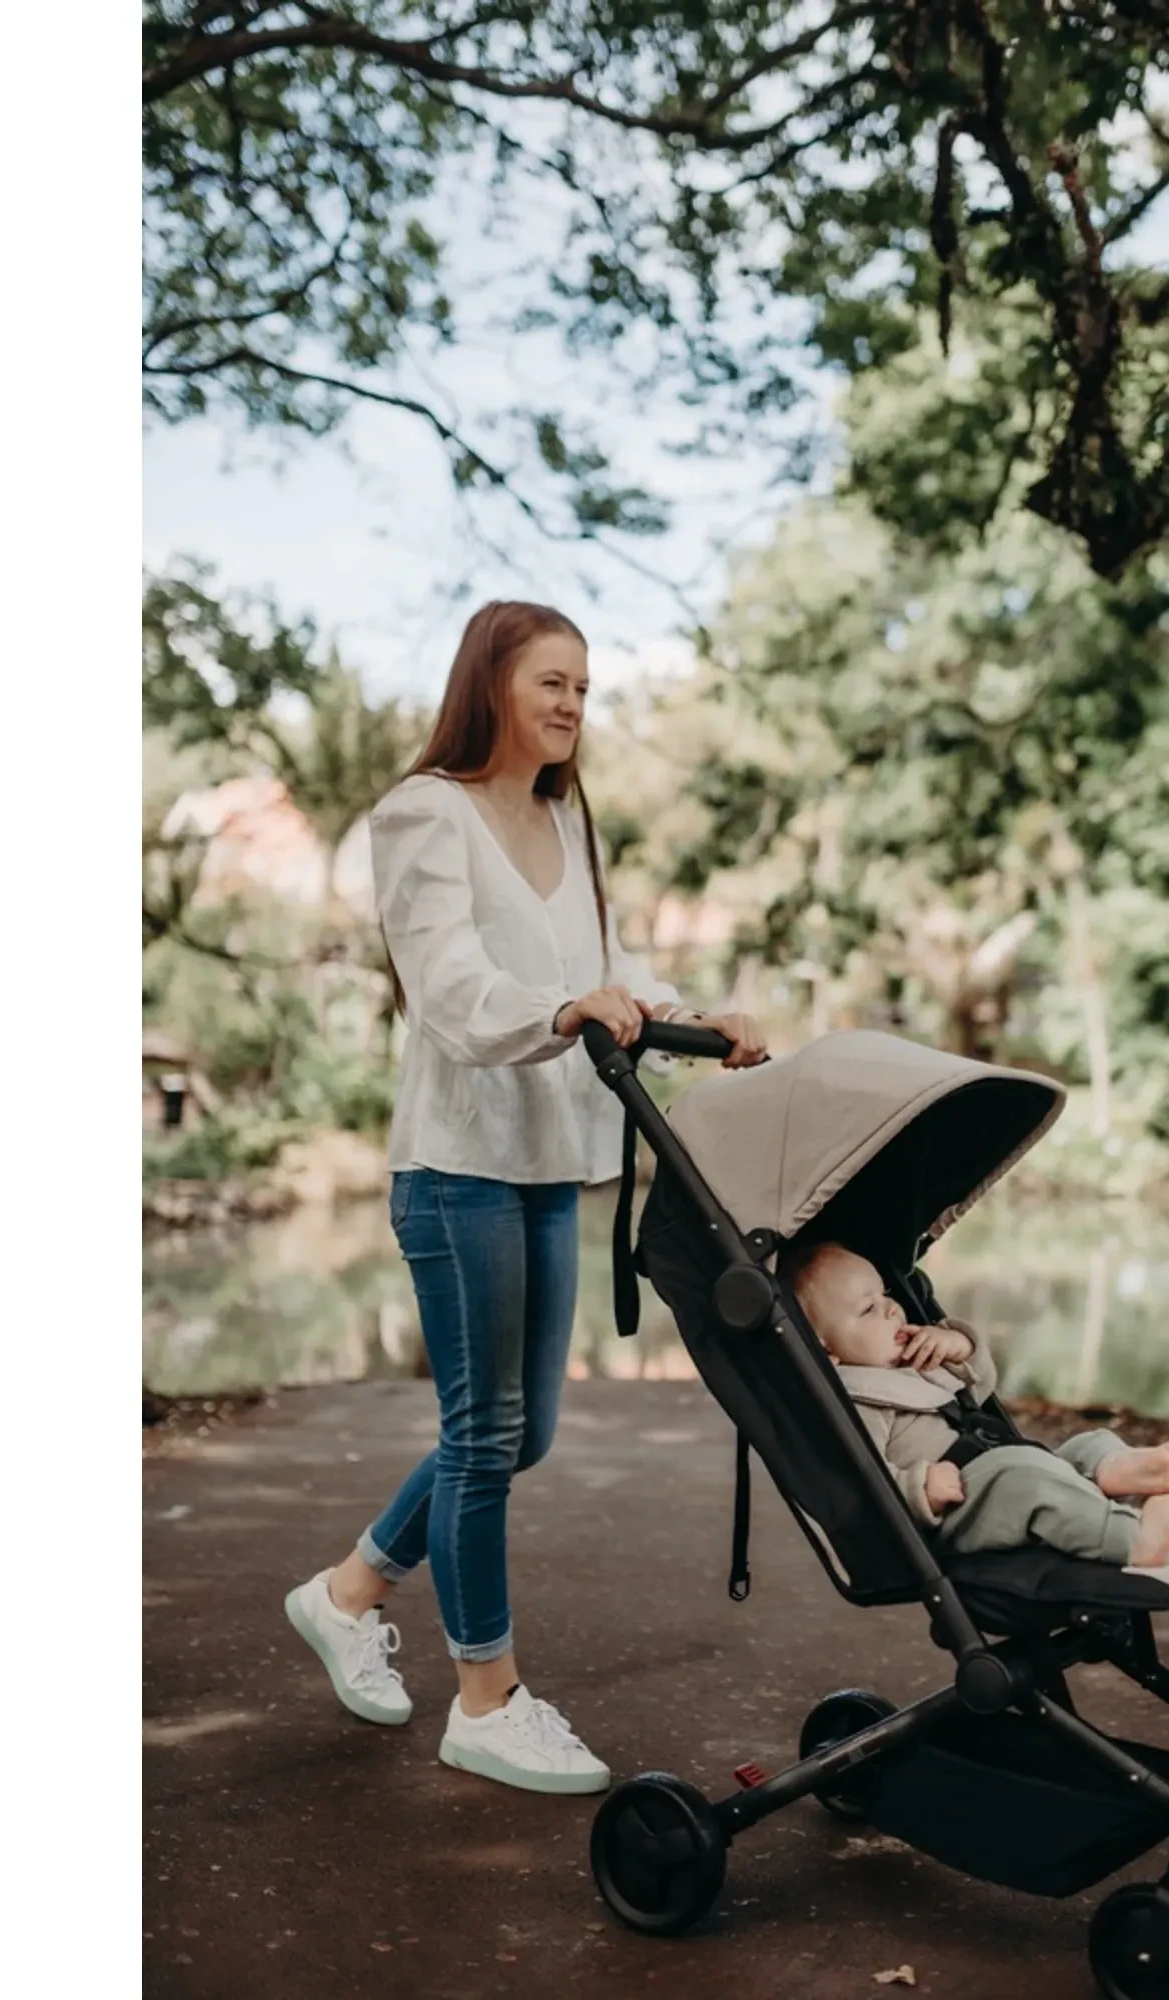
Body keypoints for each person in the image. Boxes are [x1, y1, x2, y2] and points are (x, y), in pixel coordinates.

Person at [284, 600, 765, 1795]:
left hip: (550, 1162)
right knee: (486, 1436)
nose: (569, 704)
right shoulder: (423, 810)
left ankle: (347, 1592)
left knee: (516, 1432)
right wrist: (555, 1014)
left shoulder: (565, 818)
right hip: (457, 1167)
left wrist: (699, 1021)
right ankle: (485, 1698)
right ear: (490, 682)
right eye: (551, 680)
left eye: (584, 688)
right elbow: (449, 982)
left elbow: (602, 974)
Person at [785, 1241, 1169, 1570]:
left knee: (1091, 1441)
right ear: (824, 1350)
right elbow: (861, 1484)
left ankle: (1110, 1469)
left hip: (997, 1465)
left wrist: (958, 1346)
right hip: (959, 1508)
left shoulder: (911, 1358)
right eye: (869, 1308)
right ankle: (1134, 1542)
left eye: (886, 1294)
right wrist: (919, 1489)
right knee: (1027, 1478)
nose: (892, 1309)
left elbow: (978, 1388)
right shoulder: (855, 1403)